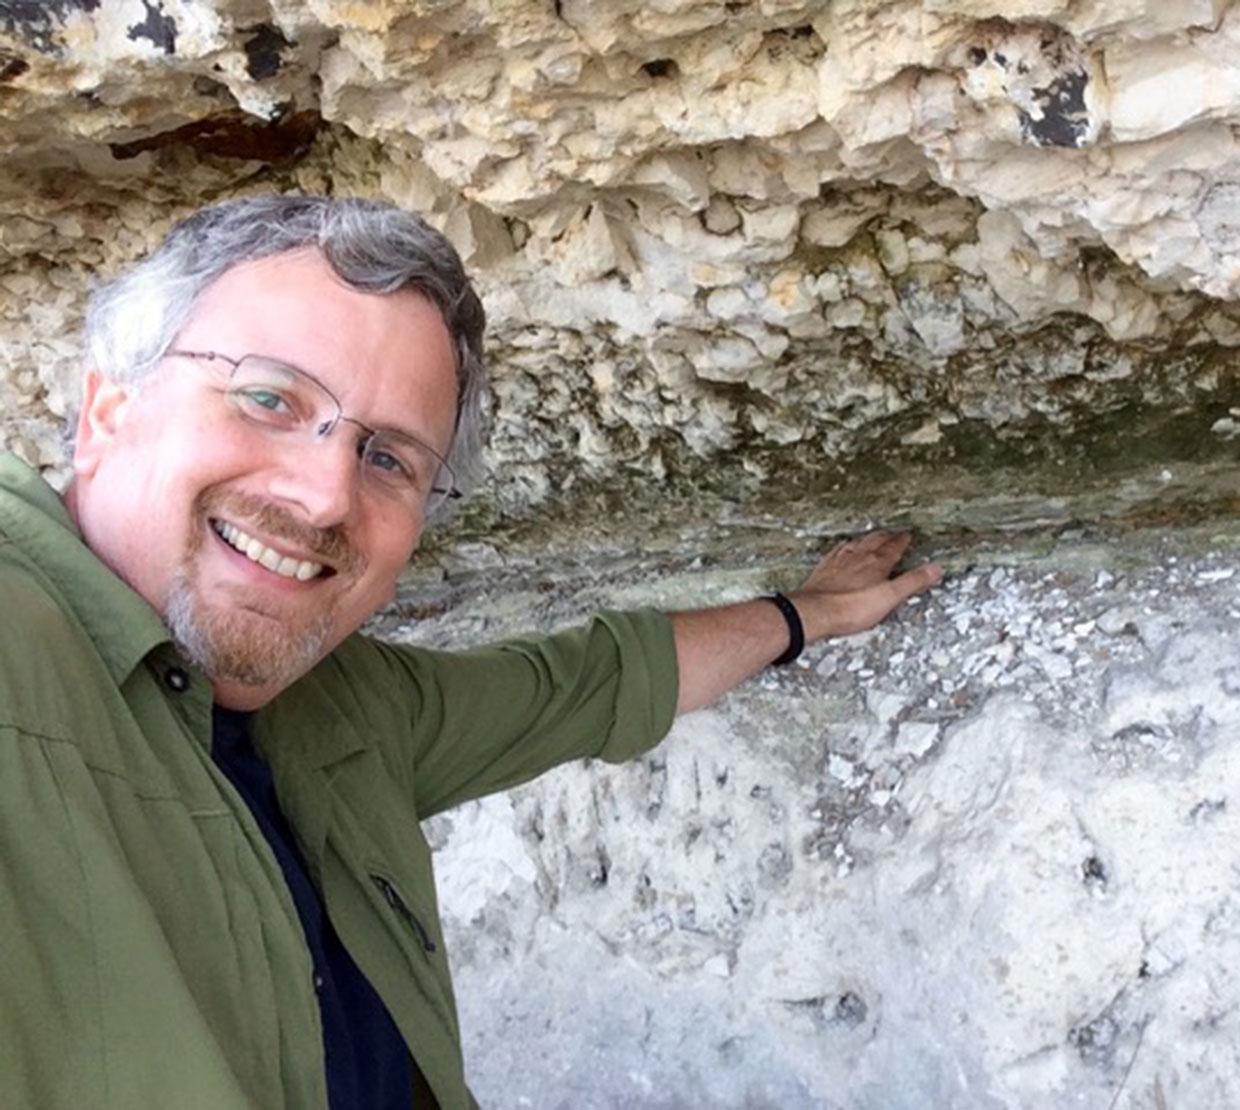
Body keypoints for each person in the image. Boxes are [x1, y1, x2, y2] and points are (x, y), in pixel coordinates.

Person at [0, 195, 941, 1108]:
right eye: (268, 398)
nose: (327, 495)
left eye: (389, 459)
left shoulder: (343, 707)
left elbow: (589, 683)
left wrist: (805, 613)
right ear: (104, 412)